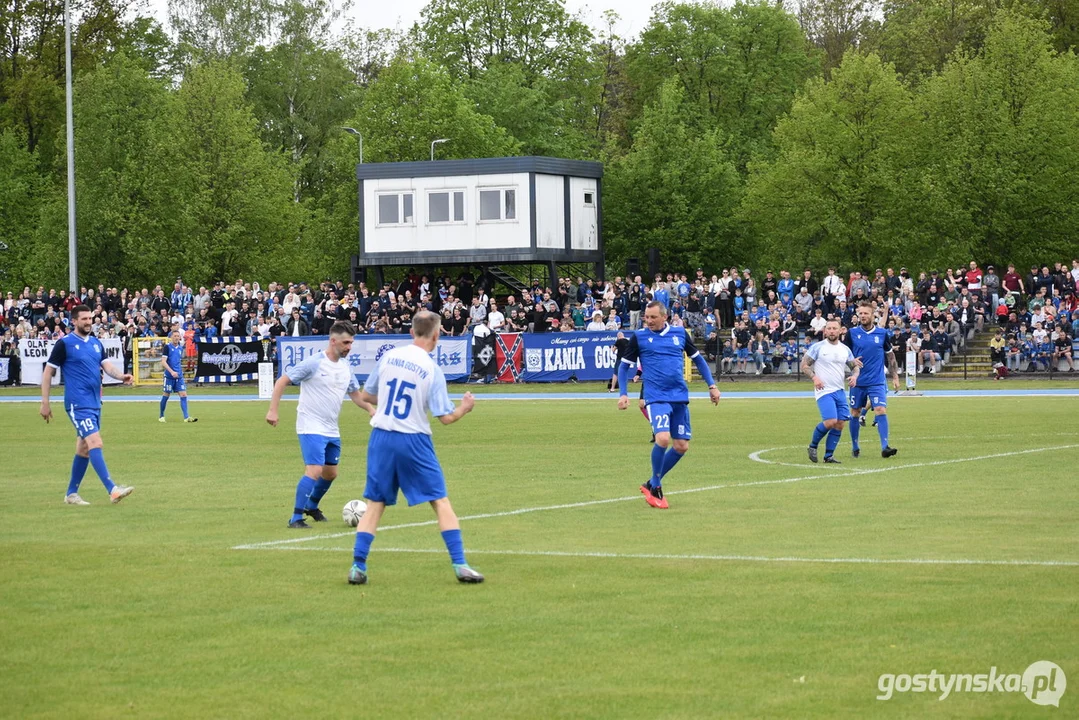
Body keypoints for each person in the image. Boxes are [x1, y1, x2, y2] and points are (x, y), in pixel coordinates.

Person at [348, 311, 483, 585]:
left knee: (375, 504)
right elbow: (446, 418)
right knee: (439, 501)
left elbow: (366, 395)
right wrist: (465, 408)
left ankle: (357, 567)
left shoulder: (388, 357)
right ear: (437, 335)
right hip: (413, 439)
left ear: (411, 333)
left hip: (381, 436)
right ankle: (460, 564)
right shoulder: (432, 369)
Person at [266, 321, 373, 529]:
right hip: (310, 425)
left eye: (351, 343)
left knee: (331, 473)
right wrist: (273, 410)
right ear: (333, 341)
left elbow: (356, 395)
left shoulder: (346, 368)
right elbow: (282, 381)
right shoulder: (314, 363)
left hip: (331, 428)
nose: (349, 347)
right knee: (314, 469)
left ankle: (311, 505)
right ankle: (295, 518)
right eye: (346, 342)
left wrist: (370, 409)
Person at [616, 301, 721, 509]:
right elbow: (623, 367)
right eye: (646, 317)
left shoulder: (680, 334)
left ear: (665, 317)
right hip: (656, 397)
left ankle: (651, 483)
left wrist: (712, 386)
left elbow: (698, 360)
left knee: (681, 446)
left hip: (679, 397)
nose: (648, 320)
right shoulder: (640, 337)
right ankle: (656, 486)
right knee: (663, 439)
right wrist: (623, 394)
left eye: (653, 317)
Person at [40, 304, 135, 505]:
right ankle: (113, 489)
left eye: (90, 318)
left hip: (94, 403)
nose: (88, 322)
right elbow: (48, 372)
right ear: (73, 321)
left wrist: (121, 376)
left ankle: (71, 494)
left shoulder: (95, 343)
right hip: (77, 404)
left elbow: (107, 365)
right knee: (95, 442)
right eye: (84, 319)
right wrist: (45, 402)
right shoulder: (64, 344)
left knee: (83, 449)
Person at [845, 303, 900, 459]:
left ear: (873, 315)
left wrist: (895, 376)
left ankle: (885, 447)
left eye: (866, 313)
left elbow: (890, 356)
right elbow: (842, 356)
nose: (863, 316)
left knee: (880, 410)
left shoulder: (882, 334)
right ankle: (855, 446)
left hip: (876, 381)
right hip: (857, 381)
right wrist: (851, 362)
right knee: (855, 412)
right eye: (860, 313)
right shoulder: (852, 333)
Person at [802, 320, 860, 464]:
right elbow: (804, 365)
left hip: (839, 390)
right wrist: (815, 378)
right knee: (830, 421)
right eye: (829, 328)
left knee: (840, 423)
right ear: (825, 331)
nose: (832, 331)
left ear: (841, 331)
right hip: (824, 391)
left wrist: (854, 376)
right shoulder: (818, 347)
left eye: (835, 328)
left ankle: (829, 456)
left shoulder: (845, 349)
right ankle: (813, 446)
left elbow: (854, 366)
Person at [159, 329, 197, 423]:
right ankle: (161, 416)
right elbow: (163, 362)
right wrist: (171, 372)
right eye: (174, 336)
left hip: (179, 376)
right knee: (166, 395)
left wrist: (178, 372)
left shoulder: (180, 348)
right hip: (169, 376)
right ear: (171, 337)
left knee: (183, 395)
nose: (176, 338)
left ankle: (186, 417)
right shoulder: (167, 347)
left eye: (178, 336)